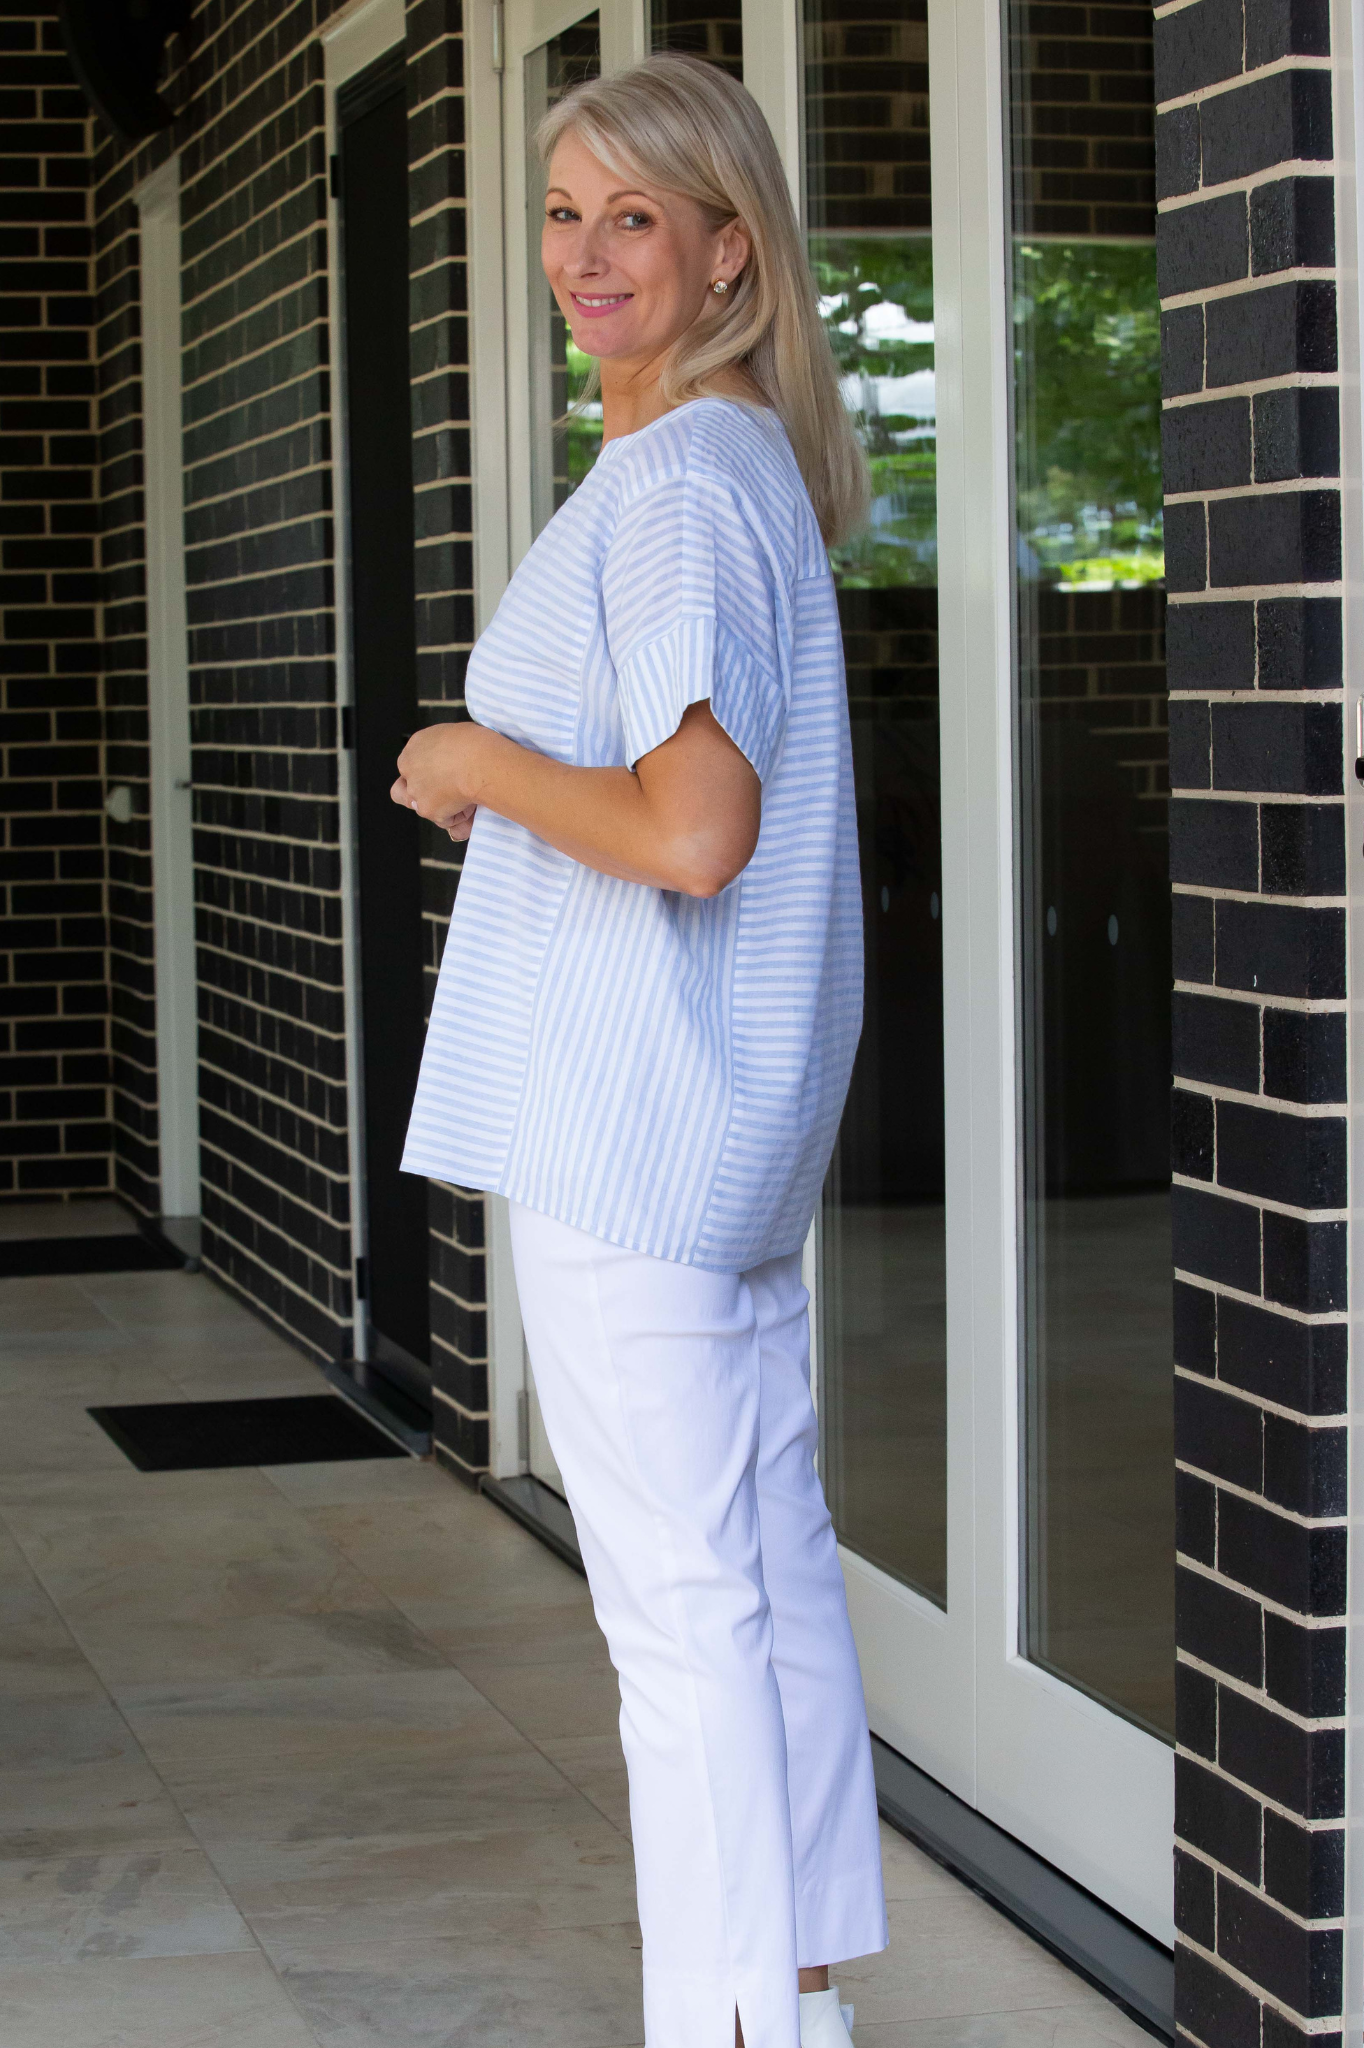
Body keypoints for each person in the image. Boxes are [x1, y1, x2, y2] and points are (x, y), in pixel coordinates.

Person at [393, 51, 887, 2048]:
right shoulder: (736, 461)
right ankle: (792, 2001)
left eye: (632, 218)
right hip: (715, 1135)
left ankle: (734, 2029)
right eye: (563, 210)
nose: (585, 253)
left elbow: (693, 834)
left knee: (677, 1623)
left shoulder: (676, 482)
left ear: (724, 252)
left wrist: (473, 763)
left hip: (630, 1128)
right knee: (756, 1577)